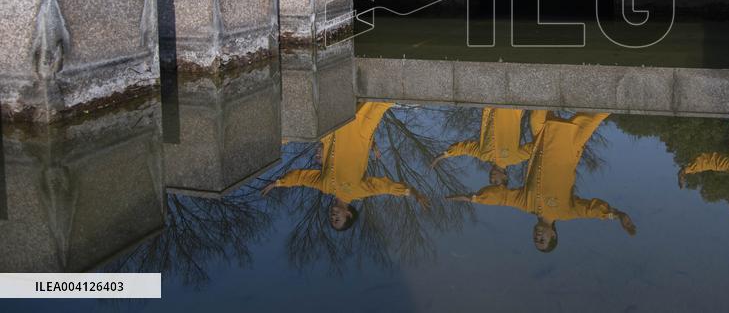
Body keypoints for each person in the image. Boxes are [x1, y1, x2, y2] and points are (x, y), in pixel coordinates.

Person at [447, 112, 636, 252]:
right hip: (570, 144)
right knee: (599, 113)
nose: (537, 237)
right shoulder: (565, 212)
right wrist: (616, 215)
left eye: (535, 240)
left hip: (543, 134)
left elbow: (503, 198)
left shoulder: (526, 204)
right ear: (553, 234)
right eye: (542, 240)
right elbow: (589, 211)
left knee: (537, 111)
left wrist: (474, 198)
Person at [263, 102, 429, 231]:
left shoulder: (325, 186)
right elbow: (384, 188)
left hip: (333, 127)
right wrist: (412, 192)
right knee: (379, 100)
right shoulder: (357, 192)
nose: (333, 216)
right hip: (359, 130)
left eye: (331, 219)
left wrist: (279, 183)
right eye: (337, 219)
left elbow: (301, 178)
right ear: (348, 214)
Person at [431, 107, 546, 186]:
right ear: (505, 177)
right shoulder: (513, 158)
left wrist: (443, 155)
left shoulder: (483, 155)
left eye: (490, 180)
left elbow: (465, 148)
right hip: (511, 107)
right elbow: (535, 149)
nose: (491, 178)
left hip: (491, 103)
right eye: (495, 181)